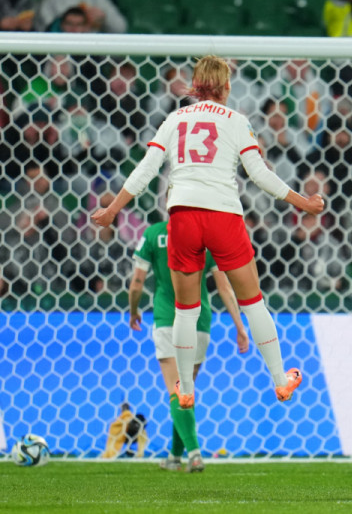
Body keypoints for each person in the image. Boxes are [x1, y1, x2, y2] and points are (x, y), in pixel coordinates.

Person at [91, 55, 325, 410]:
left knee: (187, 309)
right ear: (227, 86)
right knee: (253, 302)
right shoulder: (236, 121)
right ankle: (280, 380)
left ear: (194, 86)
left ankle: (185, 389)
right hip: (223, 216)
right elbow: (259, 174)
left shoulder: (173, 120)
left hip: (182, 216)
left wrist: (112, 210)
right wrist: (303, 203)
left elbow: (147, 169)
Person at [129, 219, 249, 472]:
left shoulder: (153, 234)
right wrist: (239, 326)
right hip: (199, 320)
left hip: (167, 318)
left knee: (177, 390)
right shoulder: (208, 236)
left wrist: (133, 311)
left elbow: (137, 282)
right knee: (185, 389)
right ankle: (174, 457)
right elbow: (224, 286)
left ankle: (194, 452)